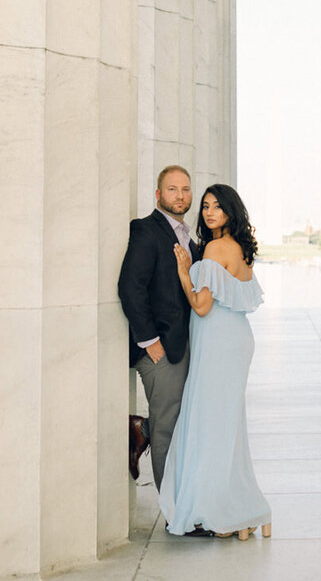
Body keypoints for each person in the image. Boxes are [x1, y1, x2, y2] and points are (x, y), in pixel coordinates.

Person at [159, 183, 271, 540]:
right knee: (226, 426)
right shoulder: (242, 249)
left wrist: (183, 272)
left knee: (209, 425)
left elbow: (202, 306)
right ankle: (243, 509)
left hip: (218, 343)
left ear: (230, 211)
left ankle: (221, 510)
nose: (209, 212)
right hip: (236, 339)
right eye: (205, 206)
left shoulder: (213, 248)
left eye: (217, 207)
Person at [117, 165, 202, 493]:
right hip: (160, 350)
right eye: (172, 189)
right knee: (168, 427)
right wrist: (150, 341)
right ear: (158, 194)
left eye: (185, 189)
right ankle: (173, 509)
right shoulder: (147, 230)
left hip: (183, 345)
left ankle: (142, 430)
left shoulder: (188, 238)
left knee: (180, 421)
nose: (180, 196)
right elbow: (130, 288)